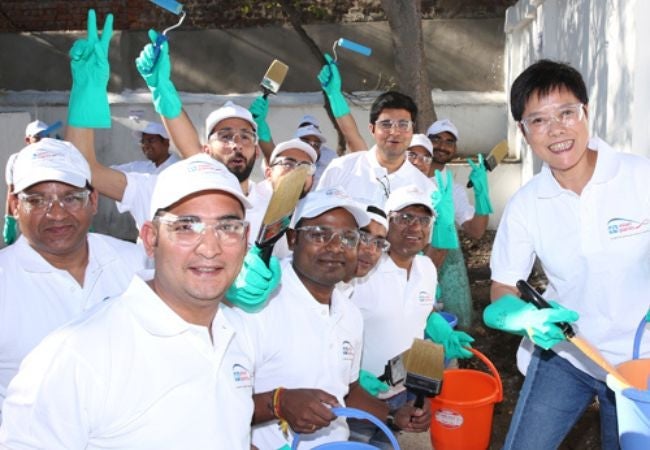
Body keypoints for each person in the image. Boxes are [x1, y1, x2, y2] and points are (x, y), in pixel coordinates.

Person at [0, 154, 259, 448]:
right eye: (186, 226)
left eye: (227, 228)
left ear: (246, 238)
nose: (210, 248)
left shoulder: (238, 332)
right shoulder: (75, 356)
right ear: (150, 239)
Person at [63, 10, 279, 313]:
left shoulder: (270, 203)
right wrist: (87, 93)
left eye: (246, 136)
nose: (236, 144)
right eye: (225, 135)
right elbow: (84, 169)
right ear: (206, 148)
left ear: (257, 150)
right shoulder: (159, 192)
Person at [483, 59, 650, 449]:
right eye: (538, 120)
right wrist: (523, 316)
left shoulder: (640, 177)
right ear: (524, 133)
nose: (556, 129)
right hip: (566, 350)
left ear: (586, 113)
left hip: (639, 358)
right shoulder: (526, 204)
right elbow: (502, 289)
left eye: (566, 113)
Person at [247, 187, 431, 449]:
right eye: (319, 234)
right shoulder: (260, 306)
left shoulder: (348, 314)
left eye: (348, 238)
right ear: (292, 239)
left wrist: (393, 416)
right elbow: (218, 406)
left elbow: (349, 391)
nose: (335, 247)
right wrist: (278, 403)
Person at [0, 138, 147, 422]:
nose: (56, 213)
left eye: (70, 198)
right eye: (37, 200)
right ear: (15, 205)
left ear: (93, 201)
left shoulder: (136, 265)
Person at [349, 185, 474, 448]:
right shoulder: (362, 271)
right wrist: (349, 379)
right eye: (404, 218)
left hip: (403, 395)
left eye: (423, 220)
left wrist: (422, 393)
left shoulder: (426, 268)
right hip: (359, 396)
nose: (414, 227)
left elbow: (420, 321)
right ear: (387, 221)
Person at [111, 121, 179, 174]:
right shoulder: (139, 168)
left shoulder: (179, 168)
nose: (146, 145)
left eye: (151, 140)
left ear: (166, 142)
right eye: (143, 142)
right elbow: (111, 172)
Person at [294, 114, 338, 185]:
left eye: (316, 144)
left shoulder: (331, 157)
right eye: (305, 142)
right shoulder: (284, 168)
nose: (311, 147)